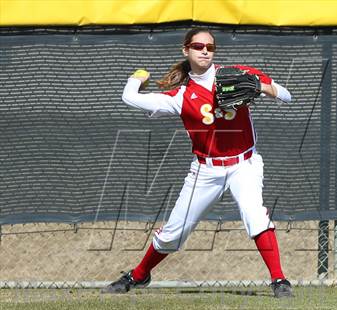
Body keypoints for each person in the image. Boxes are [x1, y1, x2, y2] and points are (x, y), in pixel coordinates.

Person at [101, 28, 293, 298]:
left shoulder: (236, 74)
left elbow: (286, 95)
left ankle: (279, 280)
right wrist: (137, 77)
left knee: (255, 215)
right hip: (206, 169)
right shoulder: (181, 96)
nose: (205, 50)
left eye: (210, 47)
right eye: (198, 45)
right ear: (186, 50)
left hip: (244, 164)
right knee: (173, 234)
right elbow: (129, 98)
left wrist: (259, 86)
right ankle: (139, 275)